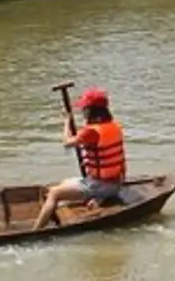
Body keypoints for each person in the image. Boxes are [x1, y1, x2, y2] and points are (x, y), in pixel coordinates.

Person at [34, 88, 128, 230]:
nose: (83, 111)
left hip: (99, 185)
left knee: (53, 193)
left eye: (85, 109)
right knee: (64, 182)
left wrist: (66, 122)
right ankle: (98, 199)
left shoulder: (91, 132)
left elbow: (67, 143)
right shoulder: (114, 126)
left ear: (91, 111)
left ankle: (36, 232)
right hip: (116, 182)